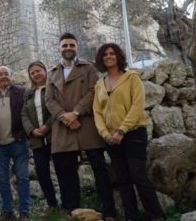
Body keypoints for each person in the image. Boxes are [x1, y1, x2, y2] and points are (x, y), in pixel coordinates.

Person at [45, 32, 116, 220]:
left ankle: (108, 211)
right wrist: (64, 116)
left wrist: (76, 112)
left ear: (77, 47)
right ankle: (72, 211)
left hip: (87, 124)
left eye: (71, 45)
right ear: (59, 48)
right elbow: (49, 99)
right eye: (64, 45)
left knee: (99, 169)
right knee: (66, 172)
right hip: (64, 127)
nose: (68, 48)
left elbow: (95, 90)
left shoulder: (89, 68)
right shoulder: (51, 73)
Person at [93, 43, 165, 221]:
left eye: (112, 53)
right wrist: (106, 134)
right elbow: (97, 112)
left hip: (133, 134)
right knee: (122, 179)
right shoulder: (99, 84)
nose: (108, 56)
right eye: (105, 54)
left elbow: (137, 106)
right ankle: (131, 216)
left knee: (138, 175)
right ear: (101, 59)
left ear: (118, 56)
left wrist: (121, 131)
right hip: (110, 138)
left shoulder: (132, 77)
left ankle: (156, 216)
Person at [0, 66, 30, 221]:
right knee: (2, 178)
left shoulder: (21, 92)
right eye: (0, 74)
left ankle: (24, 211)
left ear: (11, 76)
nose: (4, 76)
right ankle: (7, 211)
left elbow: (27, 114)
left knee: (23, 177)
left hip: (18, 141)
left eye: (6, 74)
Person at [21, 61, 58, 215]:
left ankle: (69, 203)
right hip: (37, 139)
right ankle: (52, 204)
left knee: (62, 169)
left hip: (54, 136)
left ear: (45, 71)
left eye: (38, 71)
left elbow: (57, 108)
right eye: (33, 72)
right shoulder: (29, 93)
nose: (36, 74)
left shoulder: (54, 87)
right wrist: (32, 130)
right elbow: (24, 114)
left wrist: (47, 126)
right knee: (42, 172)